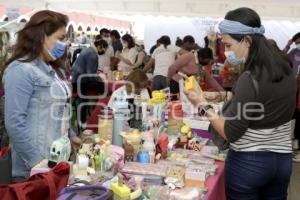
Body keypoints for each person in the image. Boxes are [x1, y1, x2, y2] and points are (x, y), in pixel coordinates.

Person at [185, 7, 296, 199]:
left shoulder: (250, 76)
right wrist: (222, 97)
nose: (226, 52)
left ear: (247, 40)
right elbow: (262, 102)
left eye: (228, 45)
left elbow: (230, 132)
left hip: (250, 164)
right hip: (282, 162)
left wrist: (202, 104)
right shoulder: (284, 68)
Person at [2, 10, 81, 181]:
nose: (64, 44)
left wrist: (72, 136)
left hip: (57, 162)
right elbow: (15, 124)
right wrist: (38, 163)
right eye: (60, 38)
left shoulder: (53, 69)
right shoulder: (20, 70)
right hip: (33, 169)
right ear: (42, 36)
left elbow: (60, 110)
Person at [72, 39, 108, 125]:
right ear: (99, 47)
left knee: (101, 86)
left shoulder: (88, 50)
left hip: (77, 80)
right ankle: (101, 112)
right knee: (105, 88)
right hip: (81, 82)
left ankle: (86, 117)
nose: (103, 52)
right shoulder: (92, 54)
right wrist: (100, 80)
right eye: (103, 50)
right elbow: (91, 75)